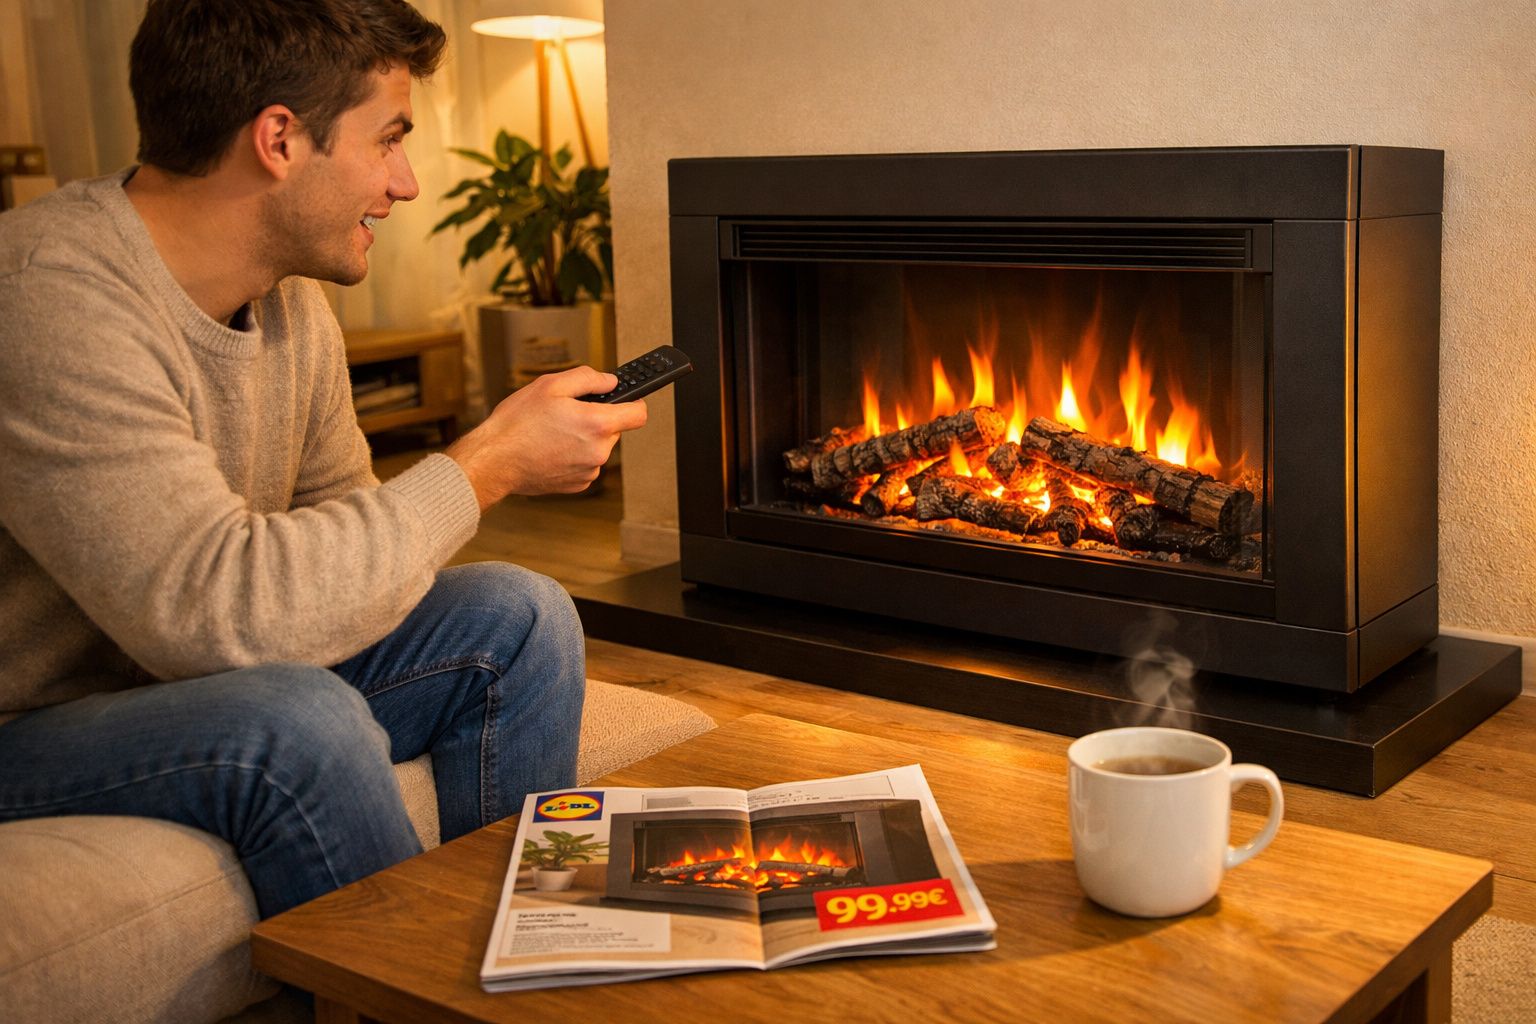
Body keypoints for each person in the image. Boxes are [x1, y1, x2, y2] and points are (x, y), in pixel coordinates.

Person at [0, 0, 647, 919]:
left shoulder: (290, 307)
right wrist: (487, 463)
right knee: (298, 723)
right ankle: (413, 992)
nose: (407, 181)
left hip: (193, 678)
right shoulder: (49, 300)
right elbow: (213, 612)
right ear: (278, 139)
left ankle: (544, 931)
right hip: (32, 725)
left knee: (522, 614)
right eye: (388, 139)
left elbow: (344, 560)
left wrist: (477, 476)